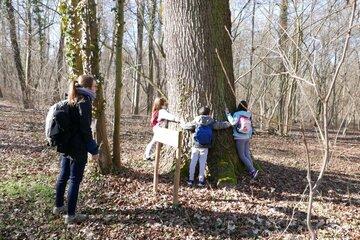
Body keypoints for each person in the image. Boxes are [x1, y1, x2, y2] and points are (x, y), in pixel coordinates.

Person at [52, 75, 99, 224]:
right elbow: (85, 130)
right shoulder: (84, 102)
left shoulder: (72, 97)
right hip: (77, 147)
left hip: (66, 144)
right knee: (74, 180)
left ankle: (58, 206)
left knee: (63, 176)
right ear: (88, 87)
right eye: (94, 86)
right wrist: (93, 150)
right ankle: (71, 216)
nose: (96, 88)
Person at [182, 106, 231, 187]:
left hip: (196, 145)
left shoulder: (196, 121)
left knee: (193, 162)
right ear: (209, 113)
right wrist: (229, 124)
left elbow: (187, 126)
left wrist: (181, 123)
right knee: (202, 163)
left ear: (199, 113)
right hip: (205, 146)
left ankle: (190, 180)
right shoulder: (211, 121)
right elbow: (219, 125)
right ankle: (201, 181)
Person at [225, 100, 258, 179]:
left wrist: (228, 114)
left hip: (239, 137)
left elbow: (233, 122)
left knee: (242, 155)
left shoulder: (237, 114)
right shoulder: (249, 114)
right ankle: (252, 170)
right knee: (247, 154)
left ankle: (252, 171)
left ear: (239, 106)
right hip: (247, 137)